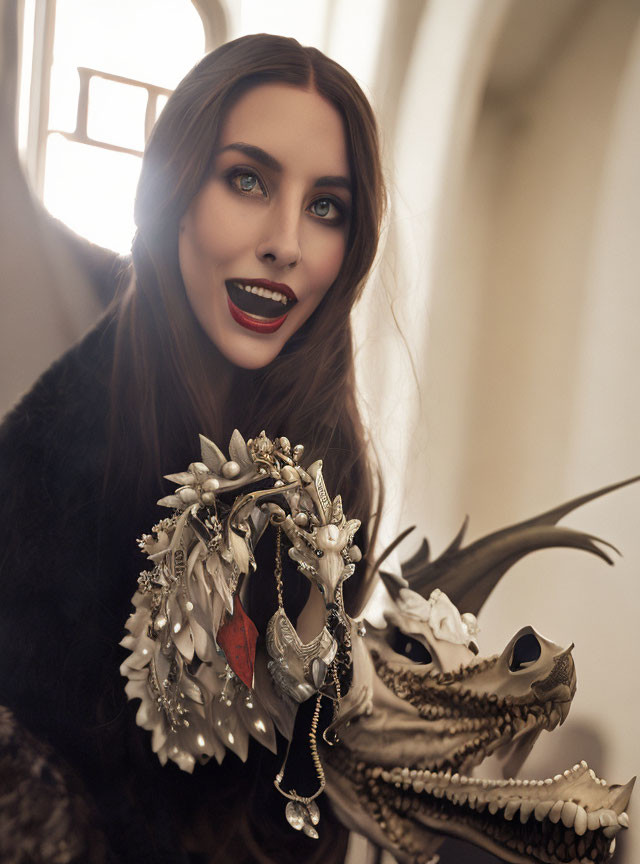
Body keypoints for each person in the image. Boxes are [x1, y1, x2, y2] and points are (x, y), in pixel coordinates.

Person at [0, 33, 385, 864]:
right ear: (173, 189)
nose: (286, 241)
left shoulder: (332, 475)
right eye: (246, 180)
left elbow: (302, 797)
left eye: (327, 206)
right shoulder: (31, 474)